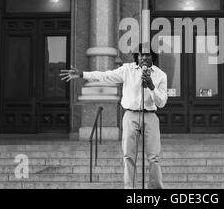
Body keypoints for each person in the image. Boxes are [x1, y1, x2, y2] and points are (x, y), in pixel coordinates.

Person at [59, 46, 168, 189]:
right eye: (141, 55)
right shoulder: (127, 69)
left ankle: (155, 190)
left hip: (150, 116)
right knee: (129, 156)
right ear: (137, 57)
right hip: (130, 115)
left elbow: (161, 103)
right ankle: (131, 190)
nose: (144, 58)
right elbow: (106, 75)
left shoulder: (160, 75)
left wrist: (152, 87)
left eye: (147, 55)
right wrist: (82, 74)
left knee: (153, 157)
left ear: (152, 56)